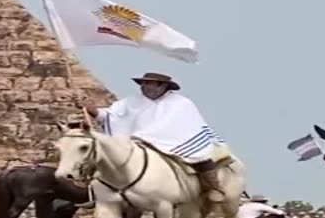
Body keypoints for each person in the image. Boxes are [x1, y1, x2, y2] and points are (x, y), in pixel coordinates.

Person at [83, 72, 225, 206]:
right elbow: (109, 116)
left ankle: (213, 188)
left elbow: (182, 125)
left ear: (162, 86)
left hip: (175, 142)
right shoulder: (130, 102)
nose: (144, 86)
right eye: (143, 83)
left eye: (149, 83)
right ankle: (97, 192)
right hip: (137, 142)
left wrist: (149, 135)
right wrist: (91, 109)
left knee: (199, 157)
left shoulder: (181, 103)